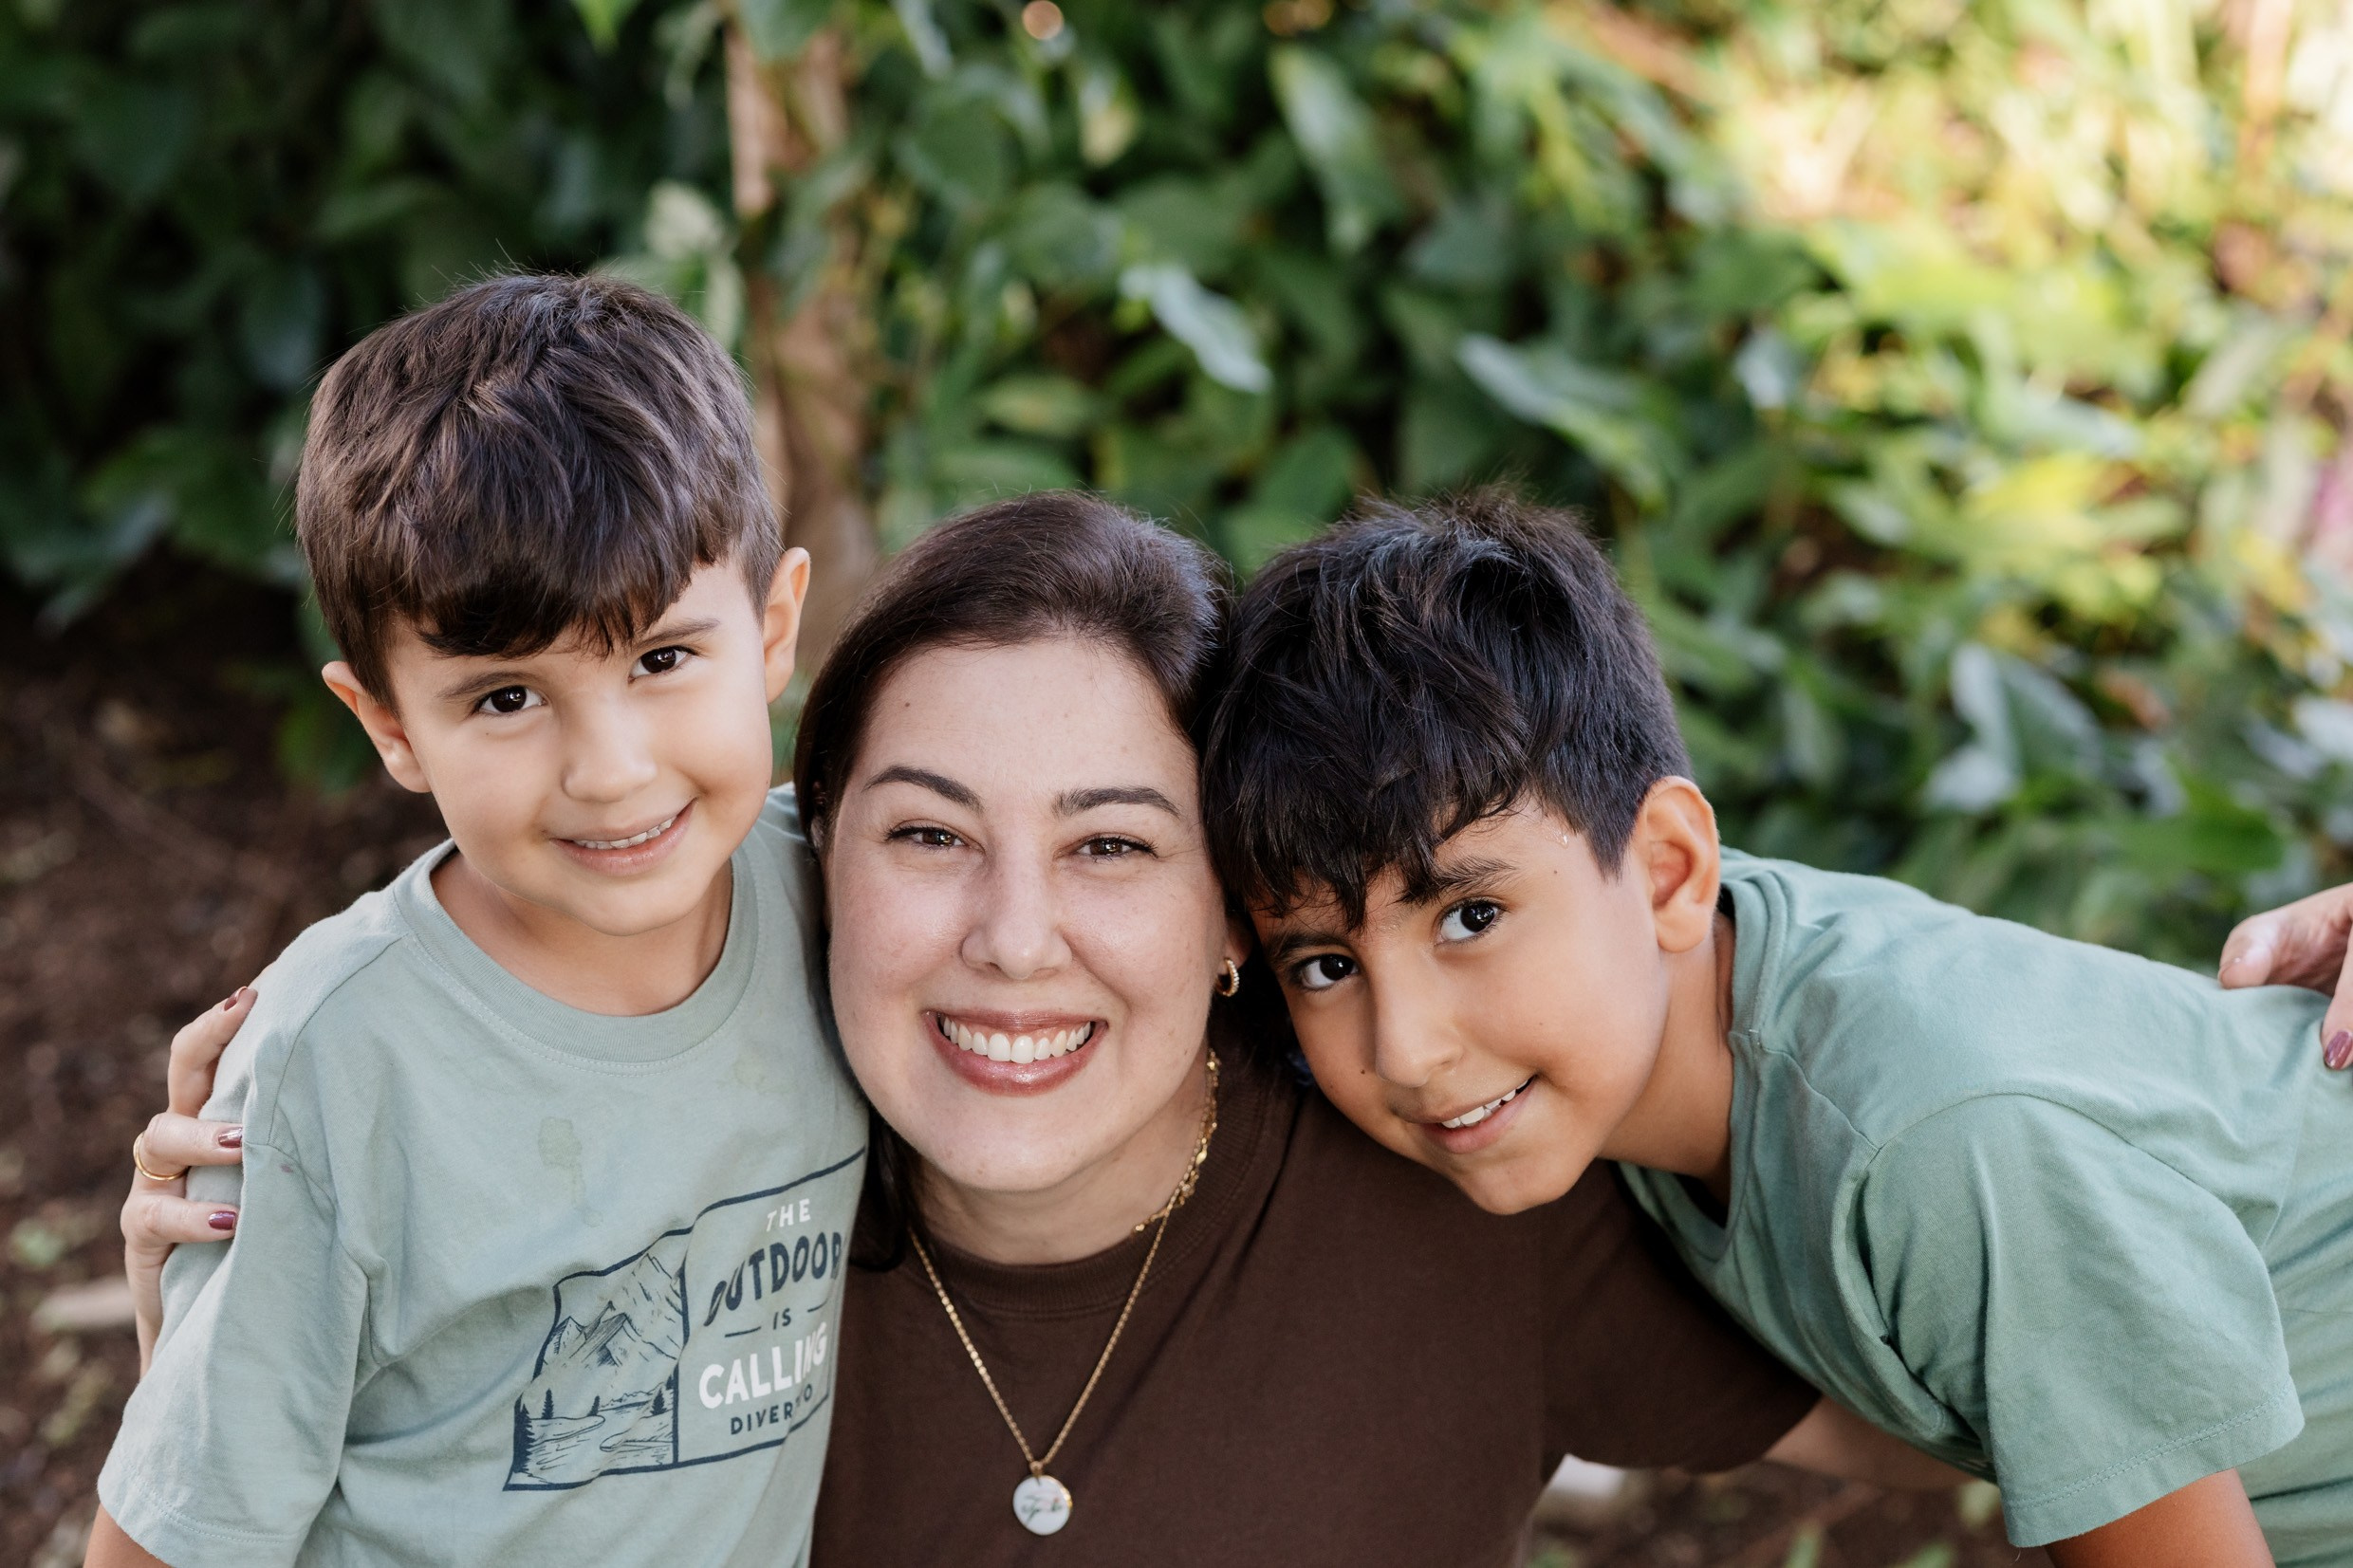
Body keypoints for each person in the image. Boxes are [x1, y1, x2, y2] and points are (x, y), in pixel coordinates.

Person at [116, 493, 1953, 1568]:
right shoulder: (666, 1214)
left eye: (1111, 846)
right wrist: (220, 1295)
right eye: (925, 833)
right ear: (814, 856)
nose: (1012, 940)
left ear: (1242, 904)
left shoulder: (1456, 1180)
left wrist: (2226, 1079)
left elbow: (2042, 1407)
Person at [1203, 491, 2353, 1566]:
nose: (1403, 1049)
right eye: (1325, 963)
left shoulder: (1937, 1147)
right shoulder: (1668, 985)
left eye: (1471, 916)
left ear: (1669, 871)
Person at [88, 275, 866, 1568]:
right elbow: (173, 1536)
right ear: (388, 724)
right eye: (506, 698)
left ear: (775, 628)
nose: (610, 768)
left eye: (663, 659)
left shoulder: (846, 903)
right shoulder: (343, 1059)